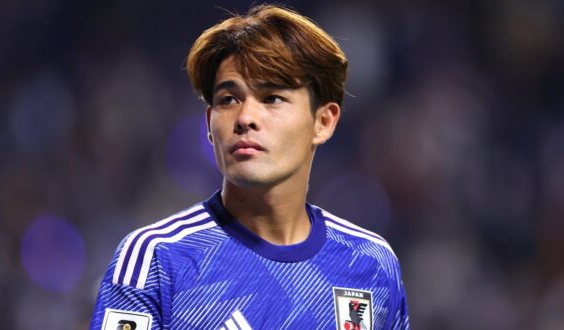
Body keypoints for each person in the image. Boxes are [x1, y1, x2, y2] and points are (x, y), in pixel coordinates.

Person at [91, 4, 409, 329]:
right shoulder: (156, 261)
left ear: (323, 121)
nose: (245, 118)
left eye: (272, 98)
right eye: (228, 99)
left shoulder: (371, 264)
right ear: (208, 122)